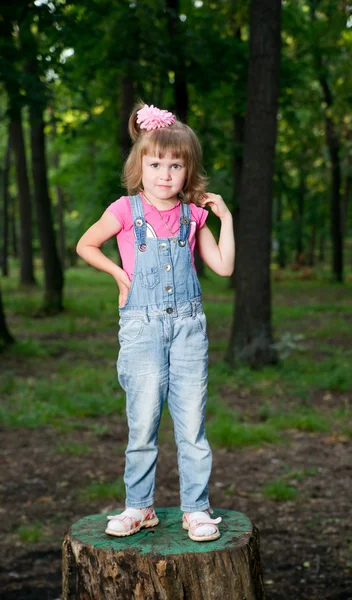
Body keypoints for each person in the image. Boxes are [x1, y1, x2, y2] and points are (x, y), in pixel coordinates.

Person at [76, 103, 235, 542]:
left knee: (191, 426)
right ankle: (139, 507)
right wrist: (118, 274)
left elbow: (222, 267)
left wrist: (226, 219)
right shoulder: (126, 210)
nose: (165, 174)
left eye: (176, 165)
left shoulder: (193, 215)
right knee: (143, 422)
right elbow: (86, 244)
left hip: (187, 328)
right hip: (142, 329)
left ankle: (196, 510)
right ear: (140, 166)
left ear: (188, 170)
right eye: (156, 164)